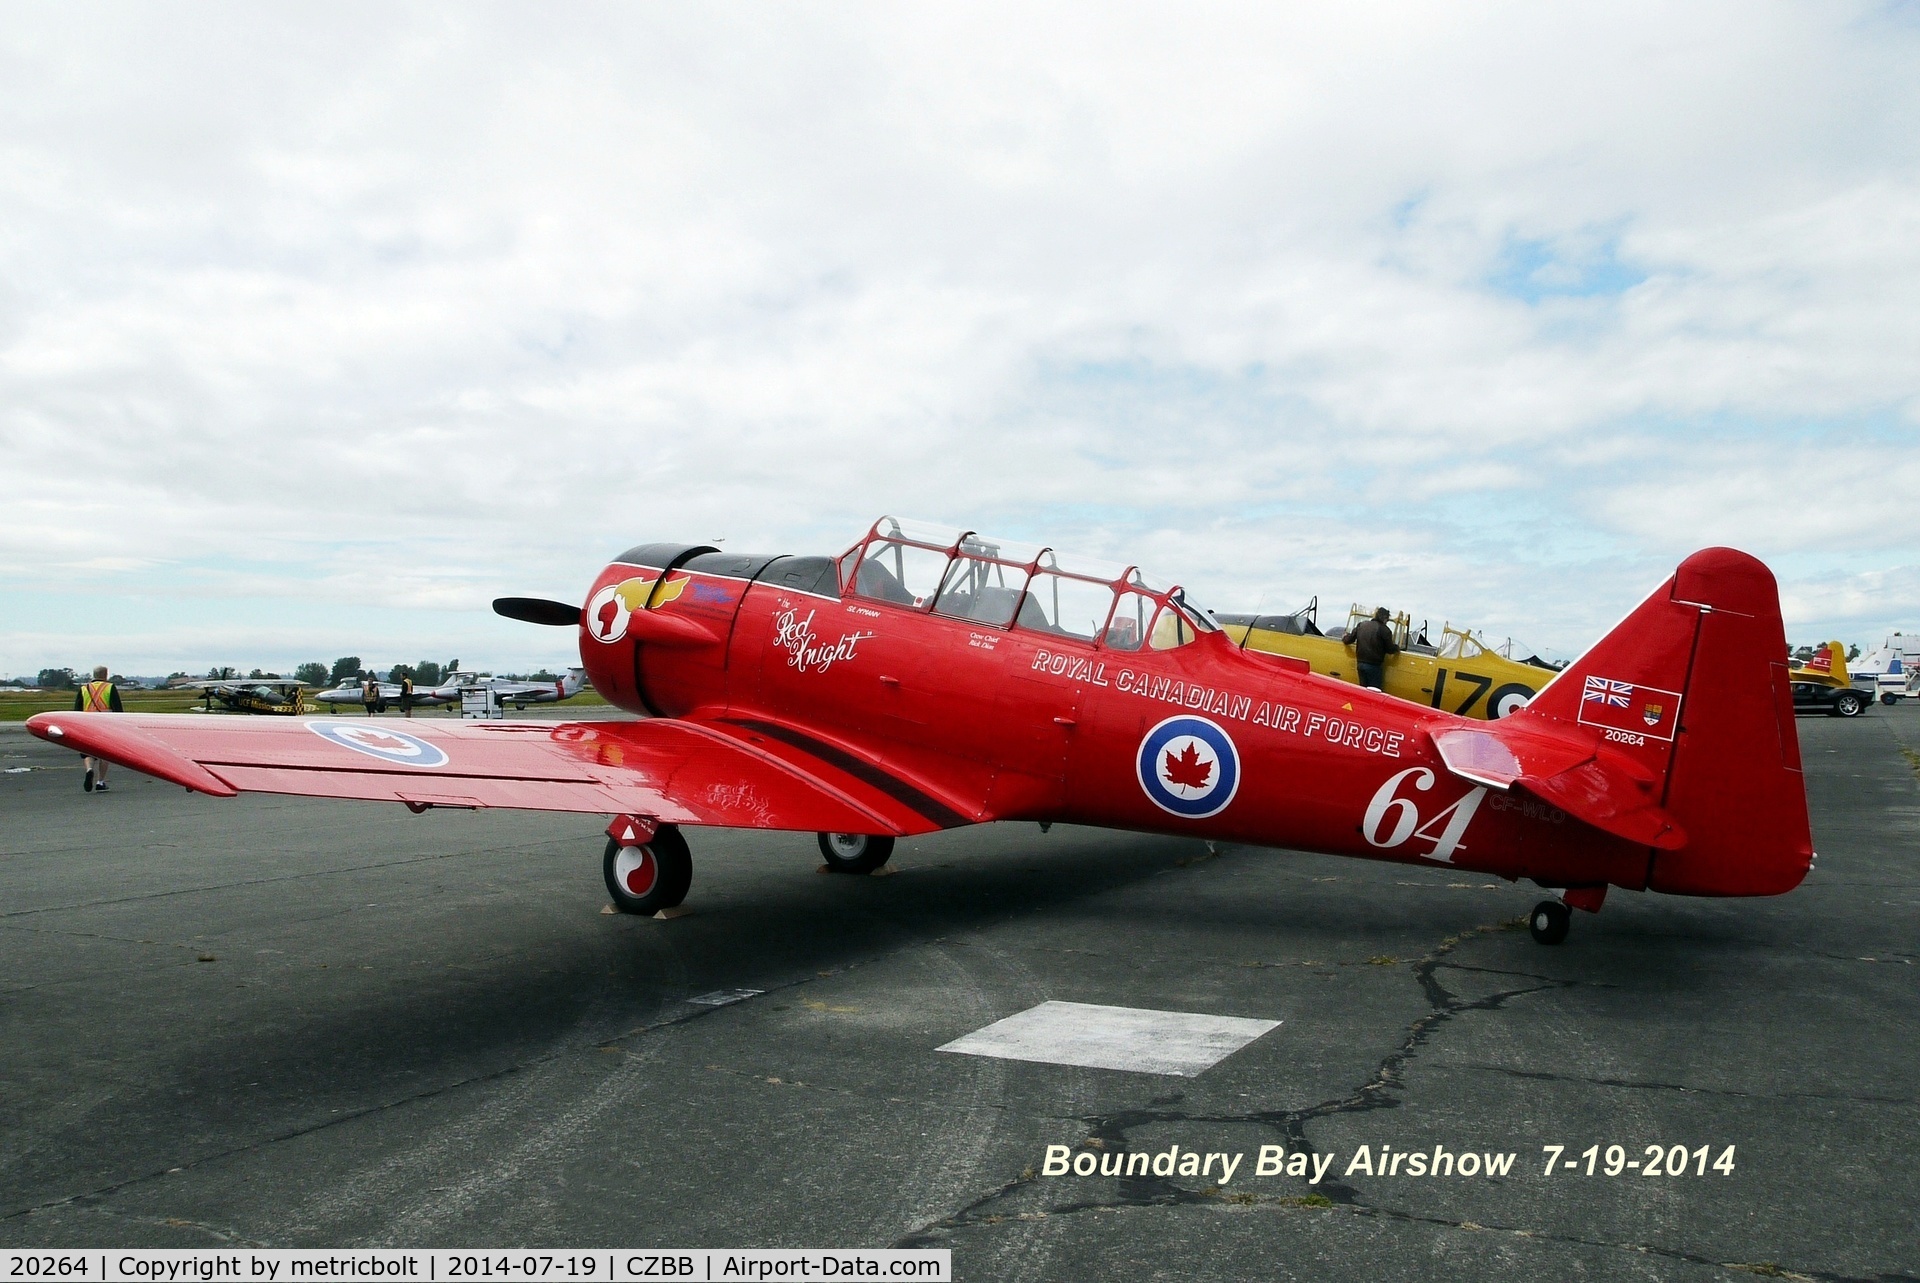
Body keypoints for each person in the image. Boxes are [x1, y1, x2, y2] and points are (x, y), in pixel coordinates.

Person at [72, 665, 123, 793]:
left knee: (88, 751)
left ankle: (89, 769)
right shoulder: (110, 687)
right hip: (105, 724)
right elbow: (118, 708)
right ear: (105, 675)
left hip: (87, 724)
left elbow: (77, 709)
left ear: (94, 675)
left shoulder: (84, 688)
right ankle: (100, 782)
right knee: (105, 753)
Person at [1347, 607, 1401, 691]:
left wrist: (1344, 637)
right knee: (1374, 692)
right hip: (1374, 666)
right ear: (1385, 618)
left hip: (1360, 664)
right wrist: (1397, 648)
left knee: (1363, 691)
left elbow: (1349, 639)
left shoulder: (1362, 625)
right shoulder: (1385, 630)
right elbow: (1390, 649)